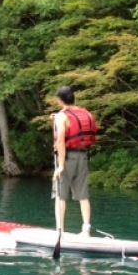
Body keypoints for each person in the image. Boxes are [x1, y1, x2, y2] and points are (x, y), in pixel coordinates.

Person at [52, 86, 97, 236]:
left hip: (67, 157)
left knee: (60, 195)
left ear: (60, 100)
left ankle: (60, 231)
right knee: (83, 195)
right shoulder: (86, 113)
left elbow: (60, 141)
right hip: (83, 157)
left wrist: (61, 166)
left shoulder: (61, 117)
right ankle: (86, 229)